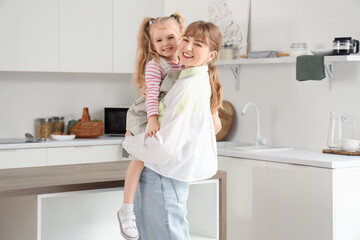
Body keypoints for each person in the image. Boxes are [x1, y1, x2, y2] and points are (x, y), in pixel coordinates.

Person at [122, 20, 223, 240]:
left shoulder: (187, 86)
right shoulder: (191, 78)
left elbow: (163, 146)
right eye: (186, 40)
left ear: (211, 55)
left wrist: (129, 142)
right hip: (166, 174)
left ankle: (125, 211)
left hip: (162, 174)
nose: (187, 47)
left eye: (198, 44)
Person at [117, 13, 185, 240]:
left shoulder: (184, 62)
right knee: (138, 160)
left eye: (170, 37)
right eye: (159, 40)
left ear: (181, 36)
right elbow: (153, 94)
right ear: (151, 43)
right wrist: (153, 119)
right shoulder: (156, 64)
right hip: (145, 114)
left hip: (157, 117)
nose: (165, 44)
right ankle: (126, 210)